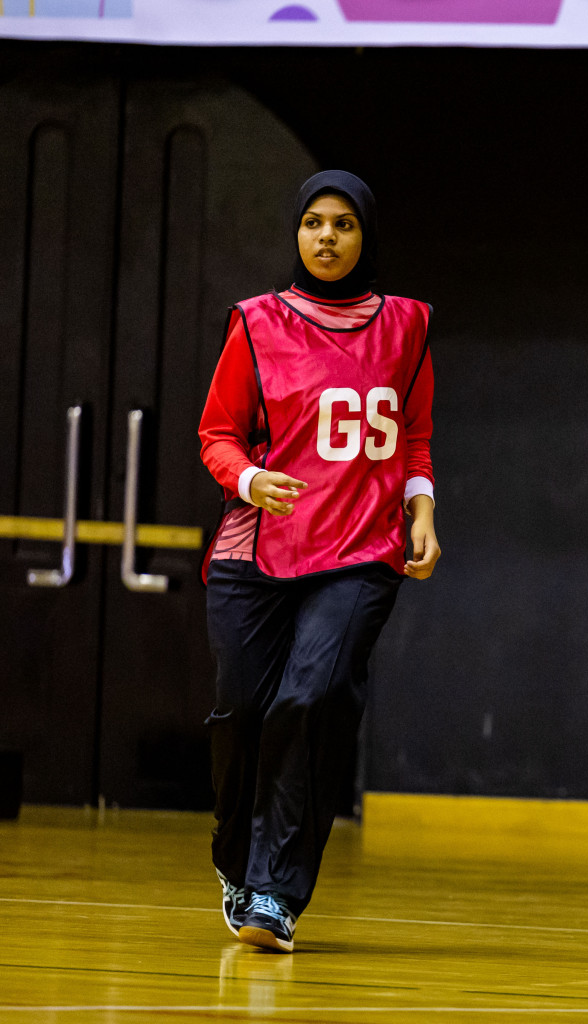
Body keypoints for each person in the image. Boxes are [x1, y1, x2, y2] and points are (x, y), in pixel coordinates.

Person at [197, 170, 441, 953]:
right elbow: (217, 434)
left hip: (361, 553)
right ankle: (237, 862)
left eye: (342, 223)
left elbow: (414, 438)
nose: (327, 236)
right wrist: (249, 477)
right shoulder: (257, 322)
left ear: (366, 235)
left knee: (313, 696)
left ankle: (276, 891)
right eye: (312, 223)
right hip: (256, 550)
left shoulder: (407, 326)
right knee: (241, 710)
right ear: (296, 234)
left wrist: (423, 512)